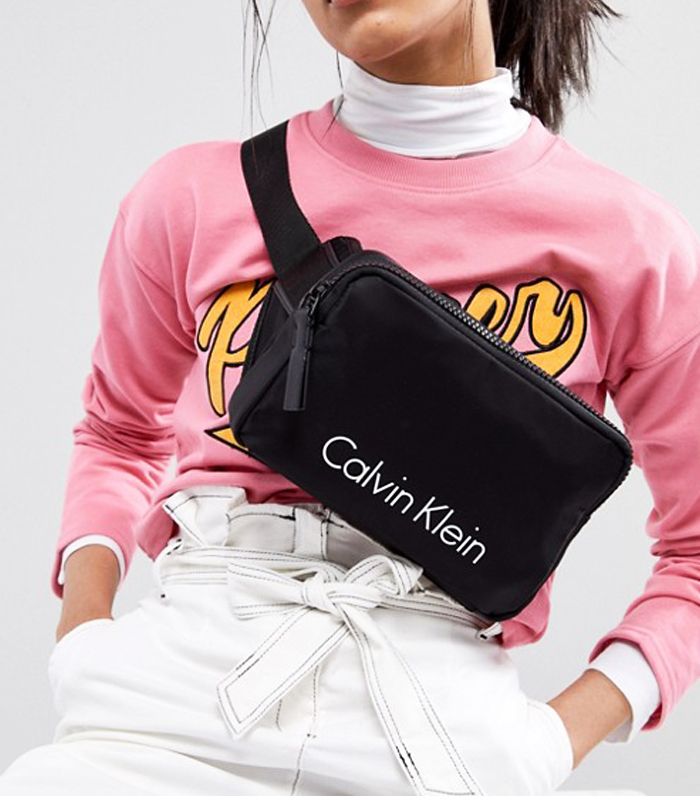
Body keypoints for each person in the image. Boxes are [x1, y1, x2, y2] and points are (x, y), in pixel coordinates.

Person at [1, 0, 698, 794]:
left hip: (438, 741)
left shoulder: (633, 246)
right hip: (163, 706)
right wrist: (83, 636)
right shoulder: (190, 197)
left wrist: (551, 742)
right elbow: (120, 433)